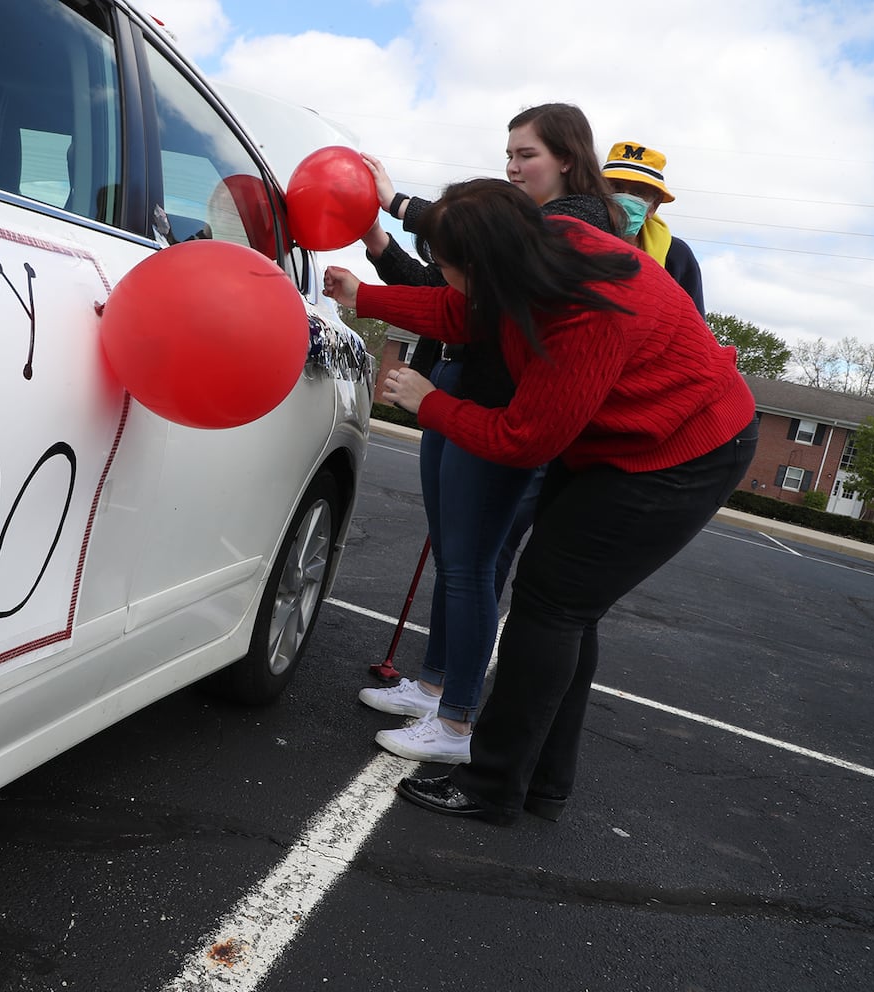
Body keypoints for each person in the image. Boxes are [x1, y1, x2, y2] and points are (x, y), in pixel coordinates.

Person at [323, 178, 758, 825]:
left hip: (681, 451)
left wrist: (431, 403)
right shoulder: (534, 248)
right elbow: (464, 310)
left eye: (448, 268)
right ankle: (543, 782)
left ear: (485, 262)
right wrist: (369, 297)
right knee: (566, 609)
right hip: (629, 443)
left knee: (550, 604)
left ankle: (493, 785)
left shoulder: (587, 311)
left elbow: (525, 439)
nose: (446, 279)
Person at [351, 104, 625, 766]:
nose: (512, 164)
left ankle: (457, 719)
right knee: (457, 559)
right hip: (466, 393)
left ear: (568, 156)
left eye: (526, 153)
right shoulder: (509, 245)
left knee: (475, 567)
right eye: (507, 154)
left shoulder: (568, 231)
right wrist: (377, 264)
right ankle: (439, 688)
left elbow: (471, 269)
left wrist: (398, 204)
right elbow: (455, 294)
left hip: (503, 412)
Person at [601, 140, 704, 314]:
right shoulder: (570, 239)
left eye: (638, 192)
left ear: (653, 206)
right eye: (616, 187)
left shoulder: (677, 257)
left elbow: (695, 327)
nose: (624, 198)